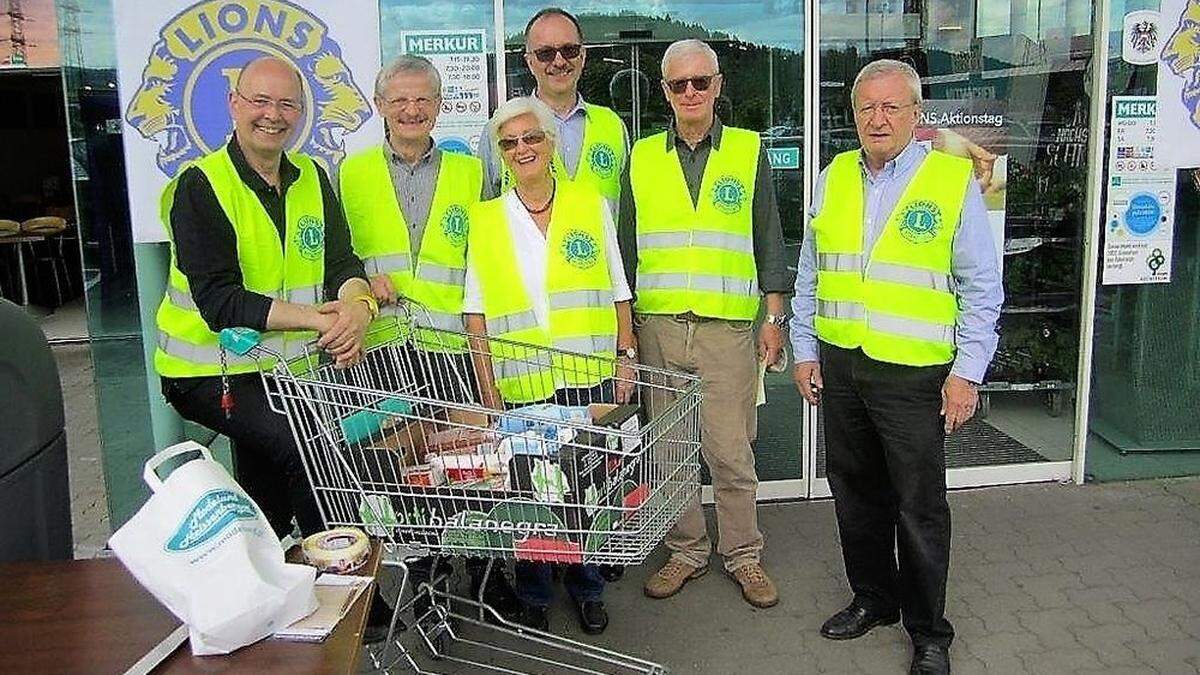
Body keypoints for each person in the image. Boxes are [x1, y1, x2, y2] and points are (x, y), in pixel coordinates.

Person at [791, 59, 1003, 675]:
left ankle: (930, 632)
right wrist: (805, 349)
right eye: (866, 108)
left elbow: (981, 285)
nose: (877, 118)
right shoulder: (834, 176)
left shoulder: (948, 178)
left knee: (919, 507)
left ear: (914, 115)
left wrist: (967, 372)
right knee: (855, 496)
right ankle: (873, 599)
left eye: (891, 107)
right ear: (853, 115)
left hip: (914, 374)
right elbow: (811, 273)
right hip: (843, 365)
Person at [156, 55, 375, 542]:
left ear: (301, 113)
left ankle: (267, 582)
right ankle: (345, 574)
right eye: (259, 100)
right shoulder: (201, 185)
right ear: (234, 104)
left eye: (286, 104)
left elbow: (341, 263)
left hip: (276, 370)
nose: (272, 114)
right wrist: (322, 323)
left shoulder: (313, 178)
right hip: (209, 371)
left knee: (269, 487)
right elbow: (219, 302)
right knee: (306, 445)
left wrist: (358, 309)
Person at [338, 55, 522, 623]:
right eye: (398, 100)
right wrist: (359, 281)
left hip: (451, 347)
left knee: (472, 468)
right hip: (381, 351)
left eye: (422, 100)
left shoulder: (473, 173)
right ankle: (427, 573)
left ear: (440, 106)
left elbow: (492, 258)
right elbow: (336, 259)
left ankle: (487, 576)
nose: (411, 110)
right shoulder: (350, 172)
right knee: (398, 472)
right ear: (380, 106)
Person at [620, 39, 788, 610]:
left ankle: (743, 555)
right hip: (660, 327)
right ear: (664, 91)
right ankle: (686, 551)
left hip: (726, 331)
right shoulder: (641, 157)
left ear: (717, 86)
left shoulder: (746, 150)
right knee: (669, 450)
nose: (689, 93)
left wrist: (774, 316)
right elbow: (624, 248)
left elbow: (769, 235)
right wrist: (626, 331)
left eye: (700, 82)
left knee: (730, 451)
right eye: (677, 85)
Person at [463, 96, 637, 635]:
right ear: (501, 155)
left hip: (587, 380)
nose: (522, 149)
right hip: (523, 384)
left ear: (550, 143)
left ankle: (587, 588)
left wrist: (625, 357)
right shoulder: (487, 219)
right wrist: (488, 388)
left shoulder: (590, 203)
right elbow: (476, 312)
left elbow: (617, 288)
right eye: (509, 143)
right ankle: (535, 592)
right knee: (531, 493)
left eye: (531, 138)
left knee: (585, 490)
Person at [478, 7, 628, 215]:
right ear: (529, 62)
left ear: (582, 56)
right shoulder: (499, 130)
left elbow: (628, 218)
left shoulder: (613, 126)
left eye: (569, 50)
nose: (559, 61)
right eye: (545, 54)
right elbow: (484, 217)